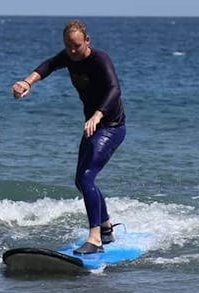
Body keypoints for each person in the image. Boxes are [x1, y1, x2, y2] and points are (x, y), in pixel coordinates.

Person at [11, 20, 125, 255]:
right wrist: (27, 82)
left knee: (86, 178)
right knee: (81, 181)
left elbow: (114, 89)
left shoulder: (100, 60)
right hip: (92, 127)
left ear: (87, 41)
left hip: (111, 126)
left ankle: (95, 239)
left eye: (76, 45)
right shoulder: (69, 56)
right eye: (68, 46)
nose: (72, 51)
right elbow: (49, 65)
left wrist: (97, 115)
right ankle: (105, 227)